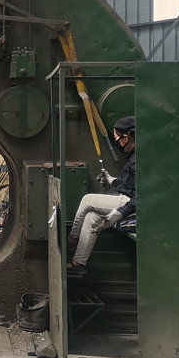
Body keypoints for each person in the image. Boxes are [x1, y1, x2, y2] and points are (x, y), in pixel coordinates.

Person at [65, 116, 136, 276]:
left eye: (117, 139)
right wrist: (112, 180)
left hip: (131, 203)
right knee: (92, 217)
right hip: (128, 199)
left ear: (126, 138)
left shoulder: (138, 159)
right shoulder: (133, 156)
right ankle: (78, 263)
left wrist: (120, 212)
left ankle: (71, 240)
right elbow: (130, 183)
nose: (116, 142)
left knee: (87, 200)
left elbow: (141, 196)